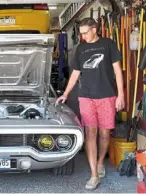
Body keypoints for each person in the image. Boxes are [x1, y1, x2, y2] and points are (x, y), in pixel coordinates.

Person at [55, 17, 125, 190]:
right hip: (86, 97)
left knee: (104, 134)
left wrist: (121, 95)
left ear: (95, 29)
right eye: (81, 34)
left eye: (86, 32)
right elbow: (75, 73)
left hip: (107, 96)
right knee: (90, 133)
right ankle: (94, 175)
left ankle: (101, 162)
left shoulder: (109, 44)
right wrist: (66, 93)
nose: (83, 36)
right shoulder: (81, 49)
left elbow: (118, 71)